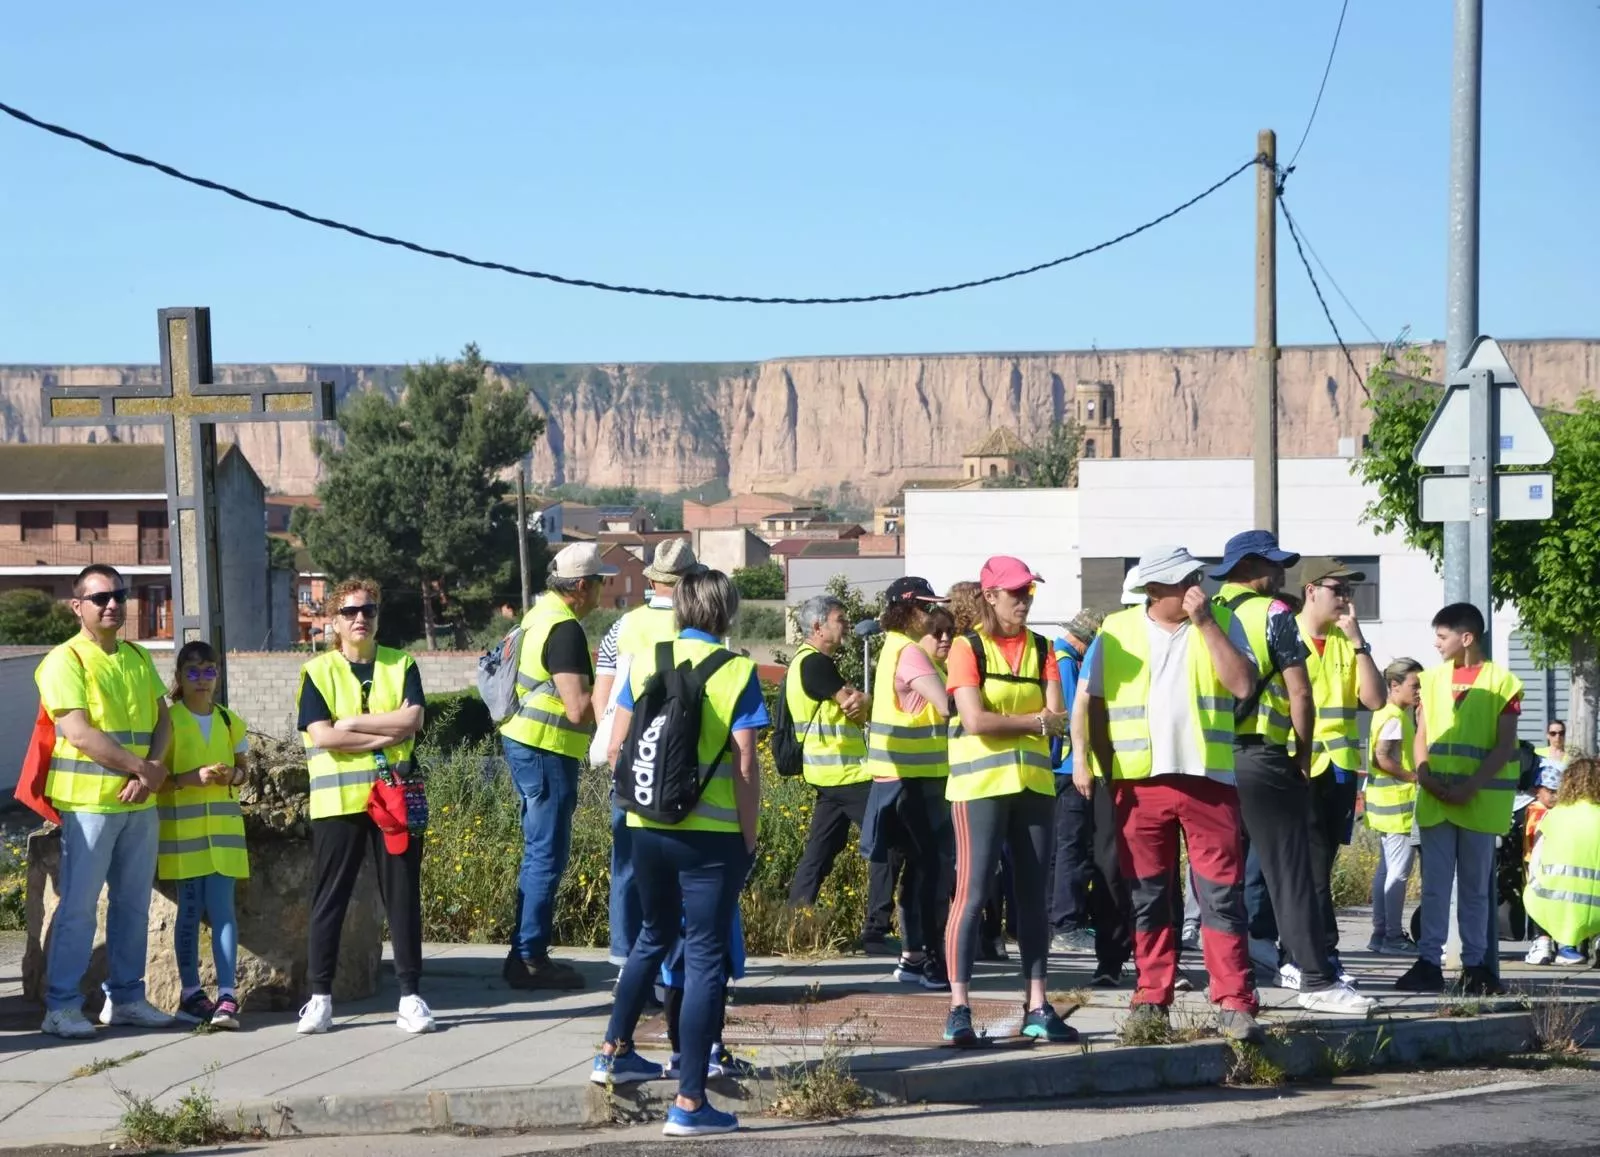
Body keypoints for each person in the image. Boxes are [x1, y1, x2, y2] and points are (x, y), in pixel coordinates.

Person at [595, 569, 766, 1138]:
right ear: (727, 612)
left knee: (651, 936)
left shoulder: (646, 659)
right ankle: (691, 1102)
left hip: (646, 826)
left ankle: (613, 1052)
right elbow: (745, 765)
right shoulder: (737, 671)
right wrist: (749, 837)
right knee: (705, 958)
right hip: (710, 837)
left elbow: (617, 742)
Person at [1086, 545, 1264, 1042]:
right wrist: (1107, 769)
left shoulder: (1223, 620)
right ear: (1157, 589)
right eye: (1187, 581)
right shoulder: (1116, 631)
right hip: (1139, 784)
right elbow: (1093, 705)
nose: (1197, 588)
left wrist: (1206, 624)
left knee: (1221, 897)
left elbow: (1242, 685)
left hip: (1209, 781)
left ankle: (1233, 999)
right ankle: (1151, 994)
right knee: (1148, 898)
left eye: (1198, 579)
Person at [1210, 533, 1371, 1015]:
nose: (1282, 575)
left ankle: (1232, 982)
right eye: (1275, 565)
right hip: (1264, 754)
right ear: (1252, 566)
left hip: (1213, 758)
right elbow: (1299, 693)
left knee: (1222, 875)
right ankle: (1318, 980)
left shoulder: (1209, 612)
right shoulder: (1274, 613)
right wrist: (1302, 755)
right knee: (1292, 872)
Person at [942, 556, 1076, 1047]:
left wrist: (1032, 719)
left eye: (1029, 593)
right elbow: (975, 721)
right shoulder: (966, 647)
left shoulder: (1042, 647)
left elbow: (1058, 717)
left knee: (1033, 899)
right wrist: (1032, 721)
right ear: (990, 596)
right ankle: (959, 1008)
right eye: (1016, 593)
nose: (1024, 601)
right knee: (972, 895)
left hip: (1034, 787)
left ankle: (1037, 1005)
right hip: (979, 789)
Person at [36, 564, 174, 1038]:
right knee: (79, 906)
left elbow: (164, 723)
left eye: (119, 595)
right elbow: (78, 732)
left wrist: (150, 771)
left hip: (137, 803)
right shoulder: (64, 661)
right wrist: (143, 770)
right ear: (78, 606)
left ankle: (127, 998)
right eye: (100, 598)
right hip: (90, 804)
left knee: (133, 905)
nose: (112, 604)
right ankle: (61, 1007)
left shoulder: (137, 656)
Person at [296, 578, 432, 1033]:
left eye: (368, 611)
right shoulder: (317, 671)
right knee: (329, 899)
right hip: (338, 803)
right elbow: (322, 735)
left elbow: (413, 720)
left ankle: (411, 997)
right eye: (351, 612)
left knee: (402, 897)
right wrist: (384, 733)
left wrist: (353, 722)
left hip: (393, 800)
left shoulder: (402, 662)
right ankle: (319, 999)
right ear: (334, 621)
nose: (361, 618)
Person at [498, 543, 615, 991]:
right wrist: (619, 704)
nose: (603, 589)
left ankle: (523, 952)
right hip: (546, 750)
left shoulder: (538, 614)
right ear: (582, 587)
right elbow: (576, 707)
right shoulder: (564, 630)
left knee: (539, 850)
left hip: (528, 744)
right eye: (601, 581)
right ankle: (529, 958)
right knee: (546, 853)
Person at [1396, 602, 1523, 996]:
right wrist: (1424, 774)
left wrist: (1469, 787)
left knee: (1474, 889)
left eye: (1442, 636)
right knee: (1434, 887)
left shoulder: (1503, 682)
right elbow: (1422, 734)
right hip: (1436, 800)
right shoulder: (1431, 680)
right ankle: (1428, 962)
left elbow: (1504, 748)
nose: (1435, 644)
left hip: (1478, 802)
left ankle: (1476, 968)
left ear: (1466, 638)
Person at [591, 538, 702, 971]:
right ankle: (675, 960)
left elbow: (604, 694)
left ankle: (625, 958)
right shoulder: (696, 626)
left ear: (654, 579)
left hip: (631, 755)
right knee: (684, 863)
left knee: (628, 863)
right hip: (679, 758)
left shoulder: (622, 626)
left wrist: (614, 745)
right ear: (690, 582)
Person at [784, 594, 900, 953]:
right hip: (847, 774)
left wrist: (861, 702)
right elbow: (853, 705)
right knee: (889, 844)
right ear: (818, 627)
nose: (846, 623)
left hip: (829, 774)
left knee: (820, 851)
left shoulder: (805, 663)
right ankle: (875, 932)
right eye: (839, 619)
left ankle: (793, 926)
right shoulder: (816, 665)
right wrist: (866, 700)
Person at [861, 578, 957, 990]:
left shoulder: (891, 649)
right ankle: (928, 958)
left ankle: (914, 956)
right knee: (931, 872)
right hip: (915, 781)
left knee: (917, 873)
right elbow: (948, 705)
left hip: (899, 779)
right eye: (926, 609)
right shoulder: (912, 654)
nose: (932, 617)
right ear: (909, 609)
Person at [1294, 558, 1385, 981]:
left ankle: (1308, 952)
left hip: (1340, 767)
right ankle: (1317, 954)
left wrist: (1359, 640)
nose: (1346, 598)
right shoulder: (1285, 631)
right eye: (1338, 589)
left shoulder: (1347, 640)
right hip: (1299, 766)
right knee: (1308, 866)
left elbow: (1374, 699)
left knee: (1322, 865)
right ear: (1311, 589)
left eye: (1350, 591)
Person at [160, 642, 250, 1029]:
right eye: (192, 672)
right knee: (190, 913)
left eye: (208, 670)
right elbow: (157, 779)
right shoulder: (169, 721)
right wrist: (190, 779)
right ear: (179, 678)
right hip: (183, 831)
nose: (201, 679)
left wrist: (232, 775)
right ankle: (191, 993)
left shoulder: (231, 721)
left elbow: (245, 771)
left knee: (224, 913)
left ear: (218, 675)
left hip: (225, 834)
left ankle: (227, 996)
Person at [1065, 569, 1141, 988]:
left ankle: (1155, 959)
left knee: (1158, 870)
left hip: (1158, 770)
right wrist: (1081, 760)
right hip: (1114, 772)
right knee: (1109, 867)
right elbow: (1082, 703)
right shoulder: (1109, 638)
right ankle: (1110, 960)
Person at [1049, 610, 1102, 955]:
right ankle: (1066, 925)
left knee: (1059, 850)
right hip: (1070, 769)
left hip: (1061, 768)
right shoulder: (1067, 661)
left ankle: (1056, 922)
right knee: (1072, 848)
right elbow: (1071, 715)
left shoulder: (1057, 655)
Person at [1365, 658, 1424, 957]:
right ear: (1394, 686)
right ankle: (1391, 936)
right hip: (1398, 806)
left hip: (1385, 804)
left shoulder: (1388, 714)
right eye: (1415, 686)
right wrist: (1414, 777)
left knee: (1386, 871)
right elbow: (1382, 757)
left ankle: (1380, 934)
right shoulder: (1394, 717)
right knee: (1398, 873)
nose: (1419, 692)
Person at [1523, 757, 1600, 964]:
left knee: (1537, 886)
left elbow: (1534, 861)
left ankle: (1547, 943)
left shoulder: (1553, 816)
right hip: (1597, 909)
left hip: (1553, 901)